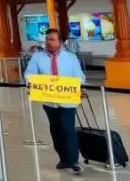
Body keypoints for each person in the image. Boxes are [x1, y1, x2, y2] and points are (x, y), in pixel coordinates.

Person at [24, 28, 85, 173]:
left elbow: (80, 77)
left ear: (61, 42)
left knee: (68, 127)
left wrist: (77, 86)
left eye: (52, 39)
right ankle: (63, 159)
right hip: (49, 101)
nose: (48, 42)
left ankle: (73, 160)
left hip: (68, 100)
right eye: (47, 40)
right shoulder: (37, 57)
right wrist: (33, 82)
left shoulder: (70, 58)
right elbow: (29, 73)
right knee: (55, 129)